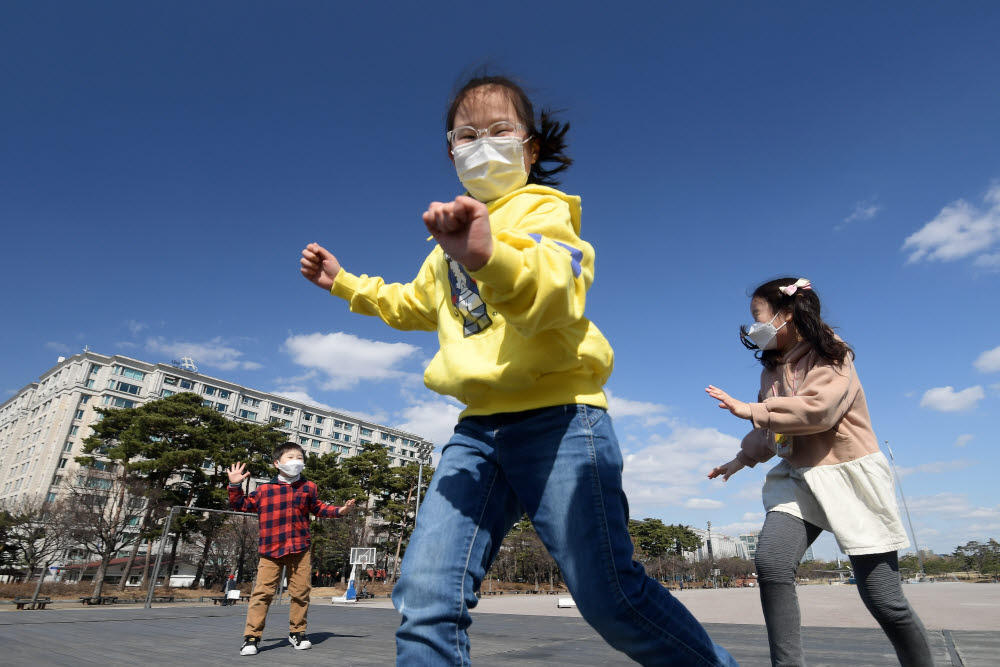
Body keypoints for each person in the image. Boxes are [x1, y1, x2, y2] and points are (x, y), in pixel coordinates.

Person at [300, 73, 737, 666]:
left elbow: (555, 291)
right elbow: (412, 304)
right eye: (466, 135)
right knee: (426, 594)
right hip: (477, 431)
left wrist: (488, 257)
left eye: (499, 130)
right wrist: (344, 284)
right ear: (451, 153)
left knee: (609, 594)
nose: (482, 144)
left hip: (561, 421)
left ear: (530, 147)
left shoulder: (546, 211)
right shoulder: (445, 243)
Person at [705, 277, 933, 666]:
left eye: (757, 317)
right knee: (772, 563)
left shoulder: (833, 354)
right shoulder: (770, 373)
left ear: (787, 314)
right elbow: (771, 432)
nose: (752, 328)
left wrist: (751, 409)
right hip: (799, 477)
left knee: (884, 599)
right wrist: (741, 459)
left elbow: (818, 412)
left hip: (849, 475)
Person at [227, 442, 357, 656]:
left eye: (300, 457)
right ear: (277, 463)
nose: (296, 461)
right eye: (290, 457)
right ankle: (252, 637)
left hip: (300, 548)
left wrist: (341, 510)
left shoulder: (309, 487)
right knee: (262, 594)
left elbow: (319, 508)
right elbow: (241, 505)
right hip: (270, 549)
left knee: (301, 593)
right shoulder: (264, 490)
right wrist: (234, 486)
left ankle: (297, 632)